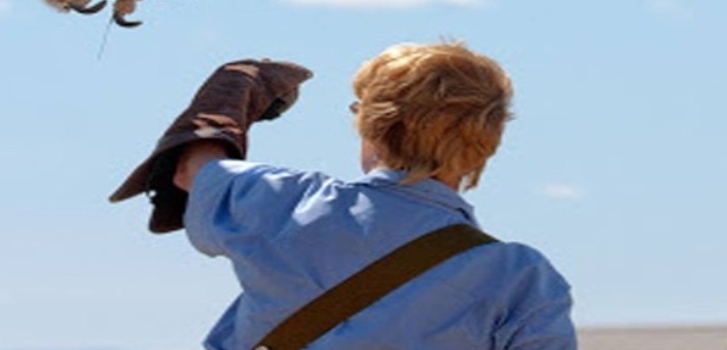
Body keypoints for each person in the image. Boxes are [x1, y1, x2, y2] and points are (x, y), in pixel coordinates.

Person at [111, 42, 576, 350]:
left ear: (372, 125)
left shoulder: (284, 204)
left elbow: (192, 168)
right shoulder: (523, 279)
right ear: (485, 144)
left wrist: (235, 88)